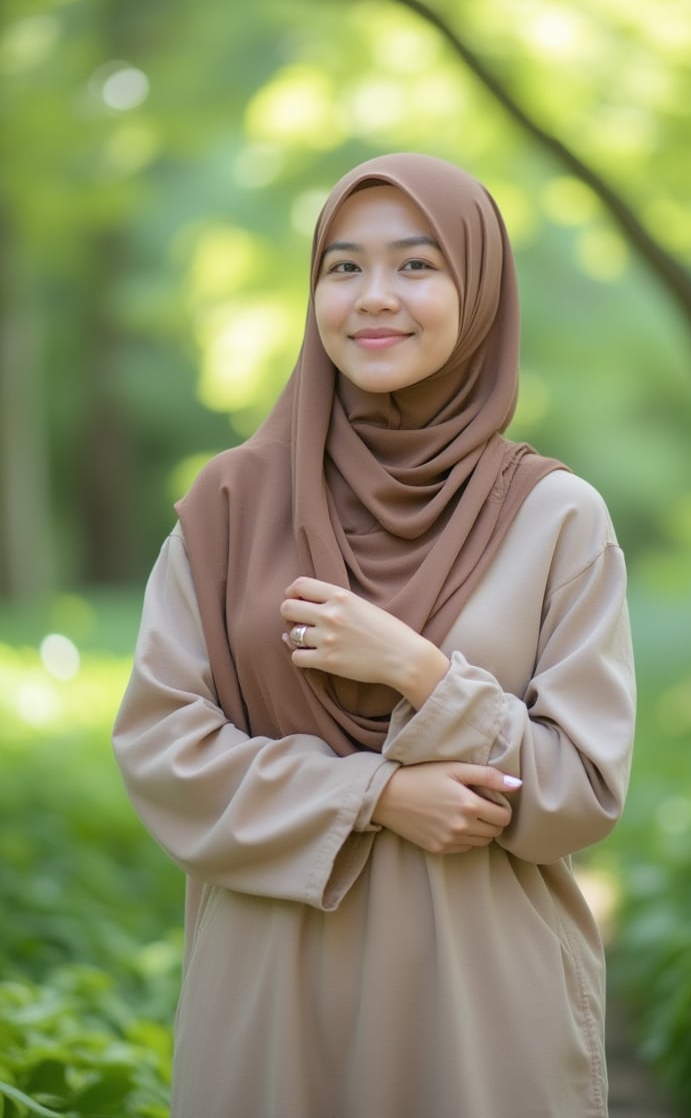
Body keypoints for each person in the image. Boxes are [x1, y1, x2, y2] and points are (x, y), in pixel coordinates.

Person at [113, 152, 635, 1118]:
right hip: (273, 1000)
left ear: (478, 290)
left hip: (479, 1013)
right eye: (343, 267)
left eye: (418, 265)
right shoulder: (231, 509)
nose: (374, 298)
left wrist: (424, 675)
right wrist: (378, 794)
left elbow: (581, 794)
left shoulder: (555, 515)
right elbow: (160, 749)